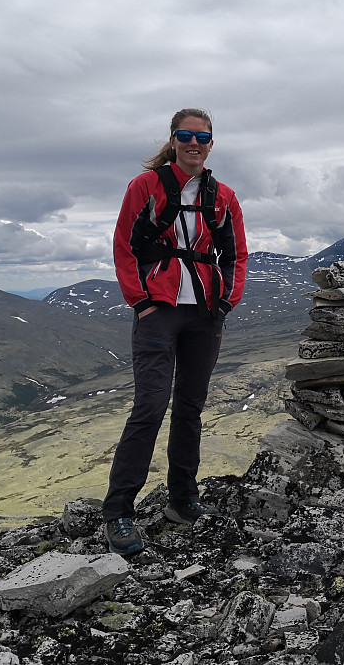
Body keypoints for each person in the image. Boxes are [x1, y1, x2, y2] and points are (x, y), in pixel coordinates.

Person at [103, 108, 247, 555]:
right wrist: (141, 301)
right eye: (185, 135)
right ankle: (118, 511)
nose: (194, 143)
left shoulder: (223, 195)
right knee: (149, 406)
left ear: (210, 143)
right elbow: (124, 244)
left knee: (190, 408)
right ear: (172, 140)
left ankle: (183, 501)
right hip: (159, 310)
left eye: (202, 137)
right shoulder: (145, 187)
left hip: (205, 313)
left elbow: (237, 255)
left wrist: (226, 301)